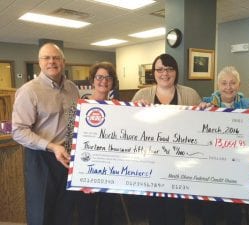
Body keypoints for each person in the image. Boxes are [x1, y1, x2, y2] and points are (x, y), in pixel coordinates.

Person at [12, 43, 79, 225]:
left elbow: (75, 122)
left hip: (67, 157)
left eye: (56, 58)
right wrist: (51, 146)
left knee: (65, 211)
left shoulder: (72, 88)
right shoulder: (29, 91)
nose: (52, 62)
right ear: (39, 63)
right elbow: (18, 131)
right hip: (41, 158)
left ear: (63, 62)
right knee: (40, 213)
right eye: (46, 58)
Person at [132, 53, 201, 225]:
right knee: (155, 210)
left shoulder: (190, 94)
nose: (165, 73)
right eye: (160, 69)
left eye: (169, 69)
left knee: (176, 210)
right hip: (151, 164)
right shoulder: (142, 94)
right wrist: (135, 111)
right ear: (154, 72)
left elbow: (201, 125)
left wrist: (206, 110)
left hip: (179, 164)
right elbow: (131, 127)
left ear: (176, 71)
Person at [65, 61, 119, 225]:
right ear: (92, 80)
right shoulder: (79, 106)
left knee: (107, 214)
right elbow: (69, 139)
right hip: (86, 171)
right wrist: (80, 173)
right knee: (86, 215)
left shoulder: (119, 108)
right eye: (99, 77)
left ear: (113, 82)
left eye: (108, 77)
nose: (104, 81)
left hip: (110, 171)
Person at [201, 66, 249, 225]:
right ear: (218, 85)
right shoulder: (206, 103)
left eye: (232, 83)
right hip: (211, 165)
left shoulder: (247, 104)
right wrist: (199, 111)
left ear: (239, 84)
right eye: (224, 83)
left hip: (237, 167)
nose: (228, 87)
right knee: (209, 212)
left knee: (234, 213)